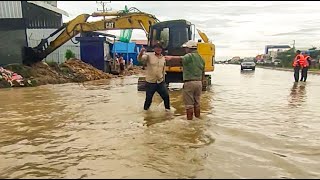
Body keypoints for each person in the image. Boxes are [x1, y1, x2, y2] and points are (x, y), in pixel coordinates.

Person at [165, 40, 205, 120]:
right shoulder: (201, 58)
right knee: (197, 103)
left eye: (186, 48)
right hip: (199, 82)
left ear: (189, 48)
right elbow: (203, 72)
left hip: (190, 82)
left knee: (189, 105)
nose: (185, 50)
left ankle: (189, 123)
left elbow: (180, 58)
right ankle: (197, 119)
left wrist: (170, 58)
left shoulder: (189, 56)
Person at [137, 41, 170, 111]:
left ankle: (168, 111)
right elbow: (140, 59)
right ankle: (145, 112)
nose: (158, 49)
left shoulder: (163, 58)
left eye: (160, 48)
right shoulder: (148, 56)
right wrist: (141, 52)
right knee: (148, 99)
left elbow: (163, 70)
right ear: (154, 49)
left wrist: (163, 80)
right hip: (150, 82)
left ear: (162, 49)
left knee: (166, 97)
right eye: (156, 48)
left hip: (160, 82)